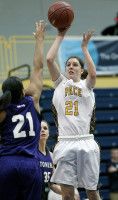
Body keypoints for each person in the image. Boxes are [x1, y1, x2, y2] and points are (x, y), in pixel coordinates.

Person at [46, 26, 101, 200]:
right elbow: (48, 59)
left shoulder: (86, 86)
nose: (70, 66)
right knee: (68, 195)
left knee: (92, 193)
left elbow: (93, 73)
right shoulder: (60, 83)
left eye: (75, 65)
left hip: (85, 141)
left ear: (81, 70)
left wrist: (84, 48)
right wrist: (60, 36)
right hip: (65, 142)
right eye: (68, 64)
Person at [0, 20, 47, 200]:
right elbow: (38, 67)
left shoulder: (2, 109)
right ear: (22, 91)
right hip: (30, 164)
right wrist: (40, 40)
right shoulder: (31, 98)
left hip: (6, 163)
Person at [39, 120, 80, 200]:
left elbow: (52, 184)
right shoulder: (31, 153)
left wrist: (68, 193)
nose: (43, 130)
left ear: (48, 133)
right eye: (39, 128)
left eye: (45, 128)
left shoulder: (51, 156)